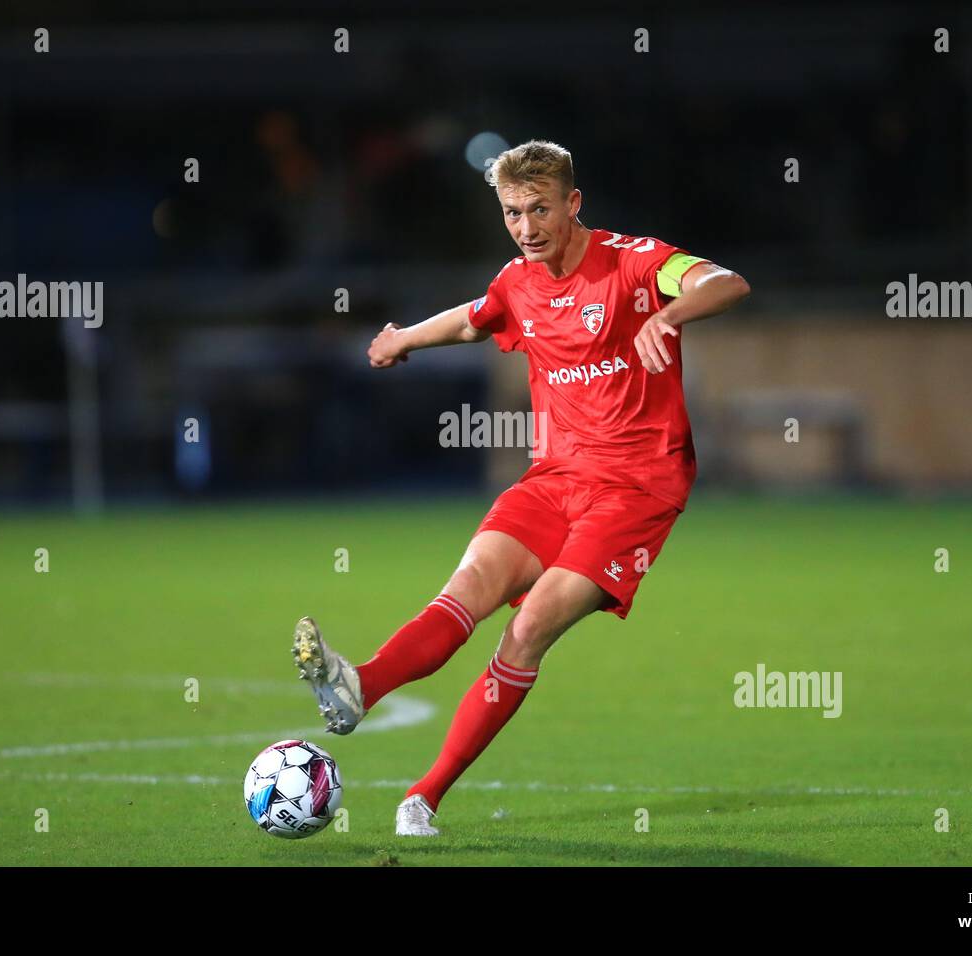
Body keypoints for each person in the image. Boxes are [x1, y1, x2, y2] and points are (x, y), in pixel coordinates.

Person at [293, 139, 751, 836]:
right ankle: (359, 687)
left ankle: (426, 795)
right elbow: (475, 318)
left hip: (636, 490)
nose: (527, 227)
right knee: (466, 589)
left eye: (540, 209)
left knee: (528, 627)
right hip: (552, 480)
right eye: (512, 213)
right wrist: (403, 338)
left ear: (573, 203)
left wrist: (669, 313)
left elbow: (726, 282)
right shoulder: (519, 280)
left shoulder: (635, 261)